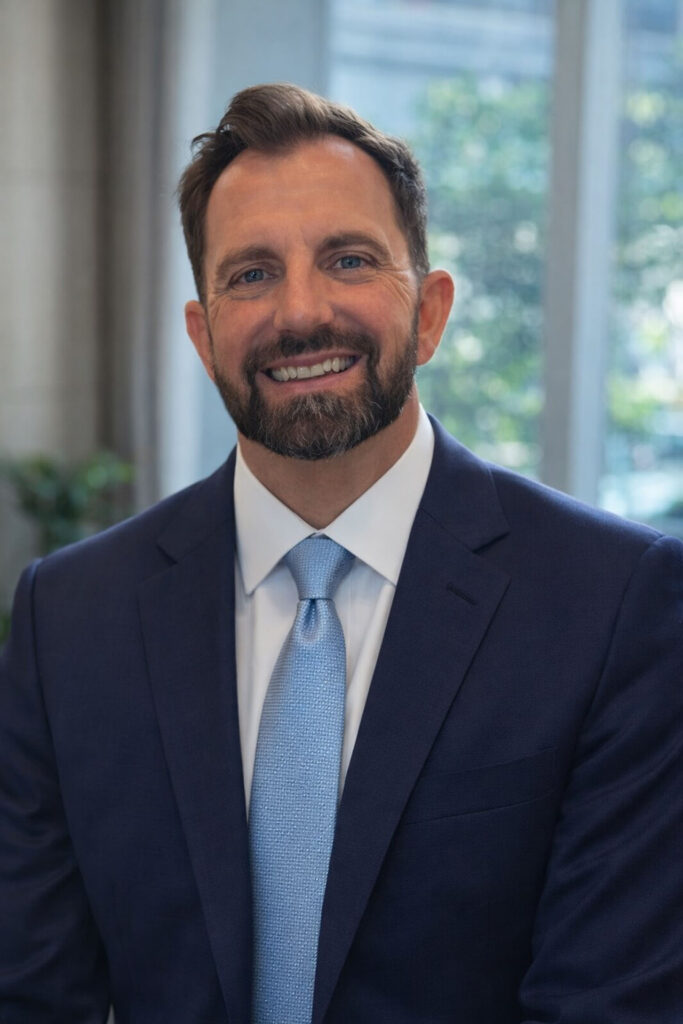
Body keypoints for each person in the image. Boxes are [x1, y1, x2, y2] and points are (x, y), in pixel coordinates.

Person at [0, 83, 681, 1024]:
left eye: (349, 259)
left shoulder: (614, 603)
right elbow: (33, 995)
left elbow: (610, 1004)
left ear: (430, 312)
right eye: (249, 275)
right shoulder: (69, 618)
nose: (300, 313)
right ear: (202, 338)